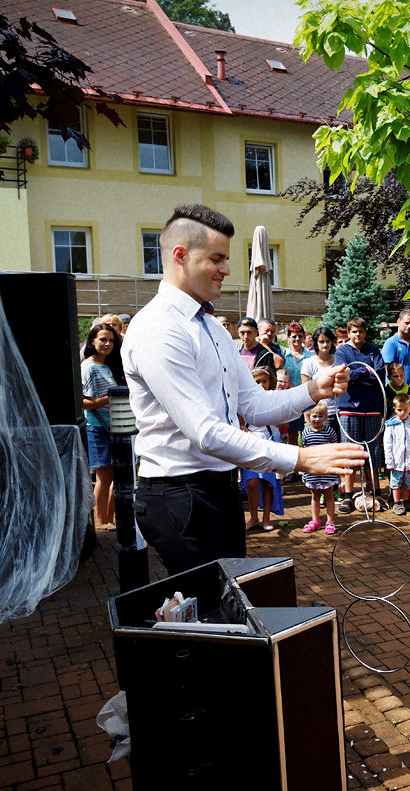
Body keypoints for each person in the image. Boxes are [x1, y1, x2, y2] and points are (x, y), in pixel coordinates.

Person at [124, 204, 364, 575]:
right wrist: (300, 459)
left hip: (218, 489)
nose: (226, 270)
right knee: (210, 614)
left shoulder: (214, 328)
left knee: (230, 609)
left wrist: (314, 389)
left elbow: (252, 405)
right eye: (217, 259)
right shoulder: (159, 328)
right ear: (180, 256)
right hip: (179, 494)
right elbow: (206, 433)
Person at [334, 317, 387, 512]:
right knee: (350, 453)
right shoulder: (342, 352)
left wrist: (357, 373)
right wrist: (364, 372)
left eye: (361, 331)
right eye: (354, 331)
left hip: (372, 408)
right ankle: (348, 495)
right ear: (348, 333)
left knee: (372, 453)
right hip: (349, 408)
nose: (358, 335)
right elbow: (342, 375)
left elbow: (380, 375)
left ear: (365, 332)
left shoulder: (373, 350)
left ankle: (375, 492)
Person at [81, 323, 119, 530]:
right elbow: (84, 401)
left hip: (113, 426)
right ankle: (100, 522)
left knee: (113, 476)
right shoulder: (88, 366)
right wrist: (108, 399)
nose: (107, 344)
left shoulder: (107, 366)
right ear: (93, 341)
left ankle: (108, 519)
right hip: (97, 427)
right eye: (103, 339)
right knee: (103, 477)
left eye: (111, 340)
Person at [240, 366, 285, 532]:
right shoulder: (244, 399)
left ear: (270, 382)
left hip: (270, 440)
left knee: (268, 482)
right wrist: (247, 432)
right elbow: (240, 423)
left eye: (264, 381)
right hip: (251, 443)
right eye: (257, 381)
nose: (261, 384)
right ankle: (253, 516)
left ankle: (266, 517)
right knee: (252, 482)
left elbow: (283, 422)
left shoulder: (273, 397)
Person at [299, 403, 340, 535]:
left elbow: (334, 449)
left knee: (329, 496)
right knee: (315, 496)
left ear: (325, 417)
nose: (317, 419)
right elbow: (304, 450)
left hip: (327, 469)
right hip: (312, 470)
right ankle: (315, 520)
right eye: (314, 416)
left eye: (320, 416)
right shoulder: (305, 432)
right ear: (309, 417)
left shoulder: (330, 431)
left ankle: (330, 522)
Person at [384, 393, 410, 515]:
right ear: (395, 409)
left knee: (408, 483)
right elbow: (387, 444)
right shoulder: (391, 425)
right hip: (396, 462)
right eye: (399, 410)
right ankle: (396, 503)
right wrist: (389, 461)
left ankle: (407, 501)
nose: (403, 412)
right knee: (396, 483)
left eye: (405, 409)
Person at [381, 309, 410, 389]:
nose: (409, 326)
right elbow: (388, 370)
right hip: (396, 394)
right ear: (398, 321)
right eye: (406, 323)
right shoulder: (391, 343)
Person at [283, 322, 311, 451]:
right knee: (292, 434)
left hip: (306, 398)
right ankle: (293, 468)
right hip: (289, 399)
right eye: (294, 336)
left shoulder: (310, 357)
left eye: (300, 336)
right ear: (288, 337)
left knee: (309, 433)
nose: (297, 339)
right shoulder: (283, 356)